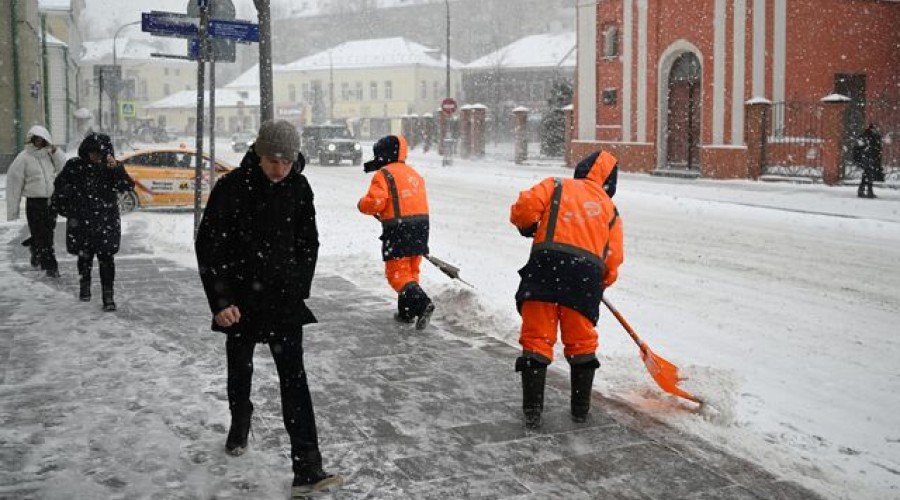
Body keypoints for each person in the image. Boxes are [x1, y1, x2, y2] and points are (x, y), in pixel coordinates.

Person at [195, 120, 343, 498]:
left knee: (295, 381)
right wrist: (221, 301)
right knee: (239, 368)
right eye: (273, 160)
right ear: (258, 154)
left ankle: (307, 467)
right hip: (240, 303)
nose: (280, 169)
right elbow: (209, 247)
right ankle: (239, 421)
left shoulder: (298, 187)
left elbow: (308, 242)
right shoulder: (231, 188)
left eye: (287, 161)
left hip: (282, 303)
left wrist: (297, 288)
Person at [509, 150, 623, 429]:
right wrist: (600, 282)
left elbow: (524, 207)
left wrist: (527, 226)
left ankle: (533, 411)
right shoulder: (610, 209)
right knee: (582, 341)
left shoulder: (556, 185)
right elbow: (613, 257)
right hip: (583, 281)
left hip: (545, 269)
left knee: (537, 337)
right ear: (610, 183)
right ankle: (580, 409)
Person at [357, 134, 435, 329]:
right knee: (410, 271)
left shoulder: (384, 174)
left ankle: (422, 303)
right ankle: (406, 312)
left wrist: (361, 204)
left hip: (399, 229)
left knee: (396, 274)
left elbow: (376, 202)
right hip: (421, 227)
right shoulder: (413, 173)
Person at [51, 132, 134, 310]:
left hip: (106, 222)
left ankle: (108, 296)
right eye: (92, 152)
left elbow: (127, 186)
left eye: (99, 152)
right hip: (82, 221)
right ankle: (85, 286)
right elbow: (59, 188)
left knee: (106, 260)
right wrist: (69, 207)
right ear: (86, 151)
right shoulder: (74, 166)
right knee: (84, 258)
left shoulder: (110, 168)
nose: (95, 155)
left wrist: (117, 168)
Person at [6, 125, 67, 277]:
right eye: (36, 139)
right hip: (35, 203)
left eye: (42, 139)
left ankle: (36, 248)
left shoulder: (49, 155)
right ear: (32, 140)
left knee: (46, 234)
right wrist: (13, 211)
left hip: (50, 202)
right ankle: (51, 267)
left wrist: (56, 152)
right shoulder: (23, 158)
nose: (39, 142)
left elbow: (64, 169)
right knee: (43, 236)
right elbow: (14, 184)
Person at [855, 123, 884, 199]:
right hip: (870, 158)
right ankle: (868, 191)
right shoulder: (873, 137)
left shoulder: (864, 136)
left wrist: (858, 159)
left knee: (866, 174)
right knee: (869, 175)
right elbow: (877, 149)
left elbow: (857, 148)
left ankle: (862, 190)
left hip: (865, 158)